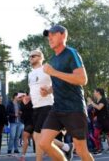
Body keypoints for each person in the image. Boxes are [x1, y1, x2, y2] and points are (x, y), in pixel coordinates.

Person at [39, 25, 93, 161]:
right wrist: (49, 90)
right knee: (43, 143)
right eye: (48, 36)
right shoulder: (53, 59)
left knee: (81, 151)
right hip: (58, 108)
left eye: (53, 34)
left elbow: (82, 79)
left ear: (63, 35)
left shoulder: (71, 53)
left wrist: (53, 72)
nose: (49, 38)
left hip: (74, 108)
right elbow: (60, 80)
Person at [28, 49, 73, 161]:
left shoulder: (46, 69)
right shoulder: (30, 73)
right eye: (30, 57)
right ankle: (67, 147)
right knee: (42, 138)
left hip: (47, 105)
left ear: (40, 57)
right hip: (36, 107)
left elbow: (61, 83)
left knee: (37, 136)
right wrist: (27, 97)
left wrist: (49, 91)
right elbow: (33, 89)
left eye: (33, 56)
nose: (31, 58)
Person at [87, 88, 109, 156]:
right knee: (96, 135)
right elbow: (97, 110)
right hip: (99, 121)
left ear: (98, 92)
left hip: (106, 121)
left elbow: (99, 107)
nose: (93, 93)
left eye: (94, 92)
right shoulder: (97, 100)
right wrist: (94, 114)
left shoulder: (103, 99)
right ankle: (98, 149)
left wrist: (92, 103)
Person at [19, 93, 34, 160]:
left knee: (24, 136)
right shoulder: (22, 103)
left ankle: (23, 156)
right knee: (37, 139)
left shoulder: (31, 101)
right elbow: (23, 112)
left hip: (31, 121)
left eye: (21, 96)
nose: (21, 98)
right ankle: (64, 146)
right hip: (27, 122)